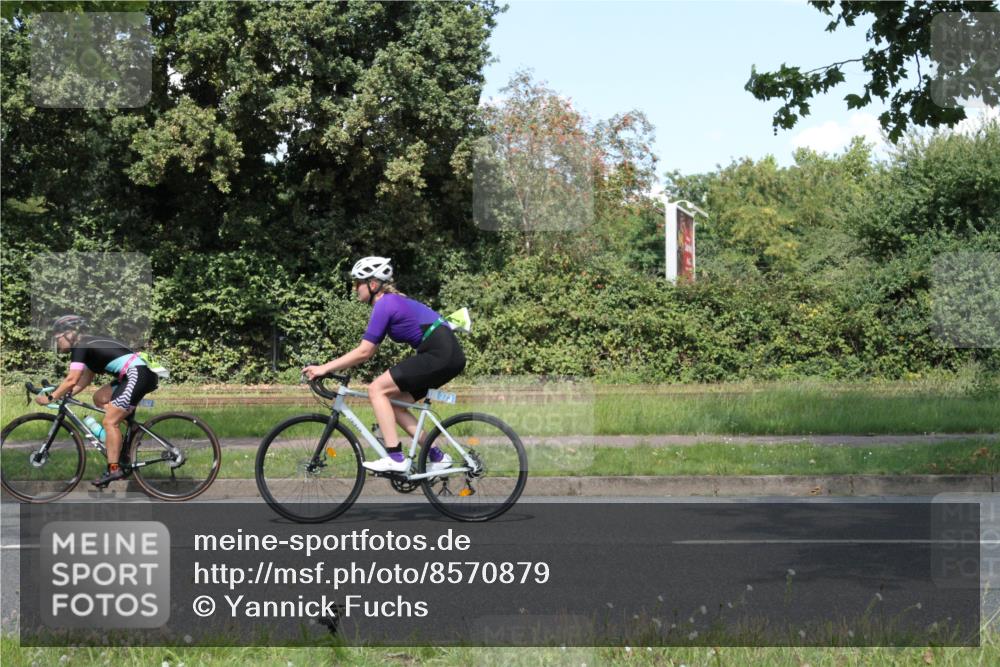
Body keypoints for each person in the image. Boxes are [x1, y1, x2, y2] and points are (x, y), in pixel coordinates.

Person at [303, 257, 466, 473]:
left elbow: (365, 351)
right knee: (394, 403)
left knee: (376, 389)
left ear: (372, 284)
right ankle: (437, 456)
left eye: (357, 283)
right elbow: (367, 352)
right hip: (445, 354)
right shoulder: (390, 302)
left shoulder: (385, 304)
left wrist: (325, 368)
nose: (354, 289)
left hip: (440, 354)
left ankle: (396, 458)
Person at [37, 315, 159, 487]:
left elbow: (72, 379)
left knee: (109, 422)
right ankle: (129, 430)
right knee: (99, 398)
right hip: (136, 374)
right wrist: (63, 395)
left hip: (137, 375)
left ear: (70, 334)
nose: (57, 343)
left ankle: (114, 469)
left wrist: (50, 397)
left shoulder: (80, 346)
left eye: (57, 338)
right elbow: (83, 380)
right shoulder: (88, 345)